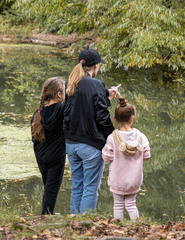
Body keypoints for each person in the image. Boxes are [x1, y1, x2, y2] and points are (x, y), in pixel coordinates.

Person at [63, 48, 119, 214]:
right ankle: (86, 224)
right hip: (90, 146)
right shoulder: (96, 84)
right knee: (90, 188)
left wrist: (106, 97)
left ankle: (74, 222)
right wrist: (114, 137)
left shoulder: (70, 82)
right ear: (95, 66)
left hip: (71, 145)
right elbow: (101, 117)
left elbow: (78, 108)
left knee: (77, 186)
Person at [102, 97, 151, 221]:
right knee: (131, 204)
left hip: (117, 180)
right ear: (132, 118)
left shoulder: (112, 138)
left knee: (118, 205)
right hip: (134, 179)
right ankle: (137, 225)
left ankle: (118, 227)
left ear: (115, 119)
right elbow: (146, 156)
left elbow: (106, 157)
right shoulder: (141, 137)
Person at [31, 77, 66, 215]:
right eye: (64, 91)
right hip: (56, 156)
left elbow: (34, 138)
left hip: (41, 157)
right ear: (58, 94)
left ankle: (47, 214)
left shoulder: (37, 114)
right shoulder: (62, 109)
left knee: (48, 188)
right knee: (52, 190)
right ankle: (45, 217)